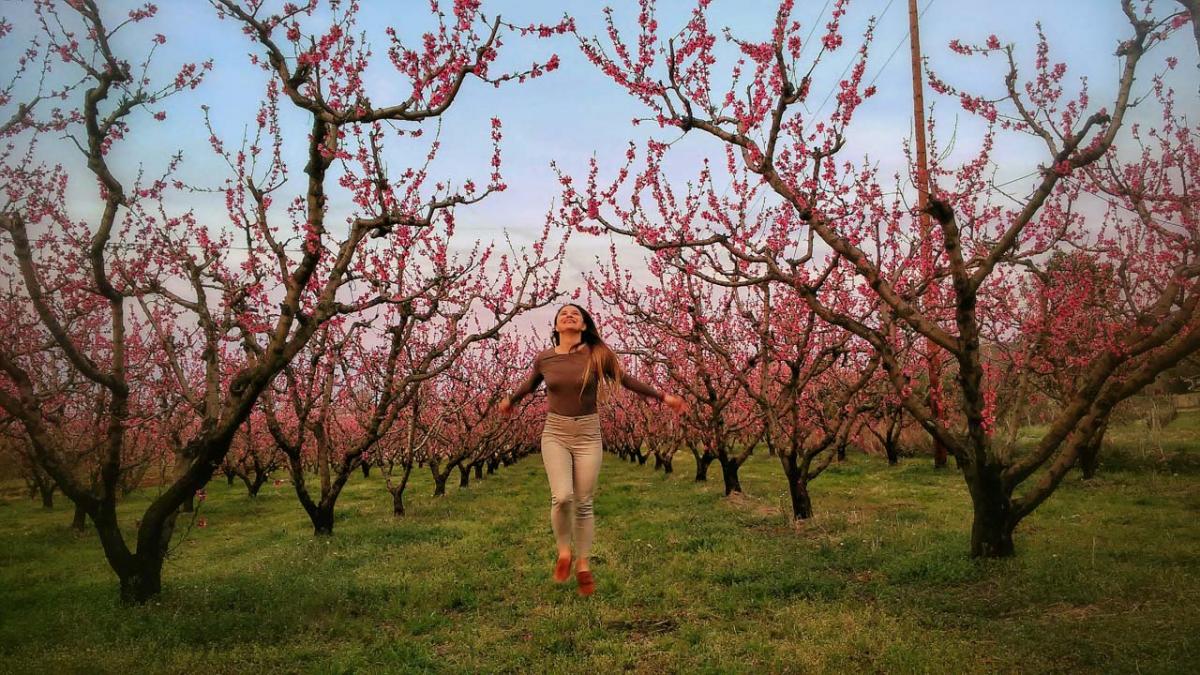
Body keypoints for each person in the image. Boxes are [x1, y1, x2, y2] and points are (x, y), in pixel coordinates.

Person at [499, 303, 686, 597]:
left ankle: (583, 562)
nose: (569, 316)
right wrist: (511, 401)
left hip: (588, 434)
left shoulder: (597, 355)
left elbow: (626, 380)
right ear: (556, 326)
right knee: (562, 497)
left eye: (576, 314)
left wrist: (662, 396)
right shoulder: (544, 358)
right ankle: (564, 552)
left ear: (584, 325)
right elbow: (529, 385)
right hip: (556, 432)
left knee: (584, 502)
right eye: (563, 314)